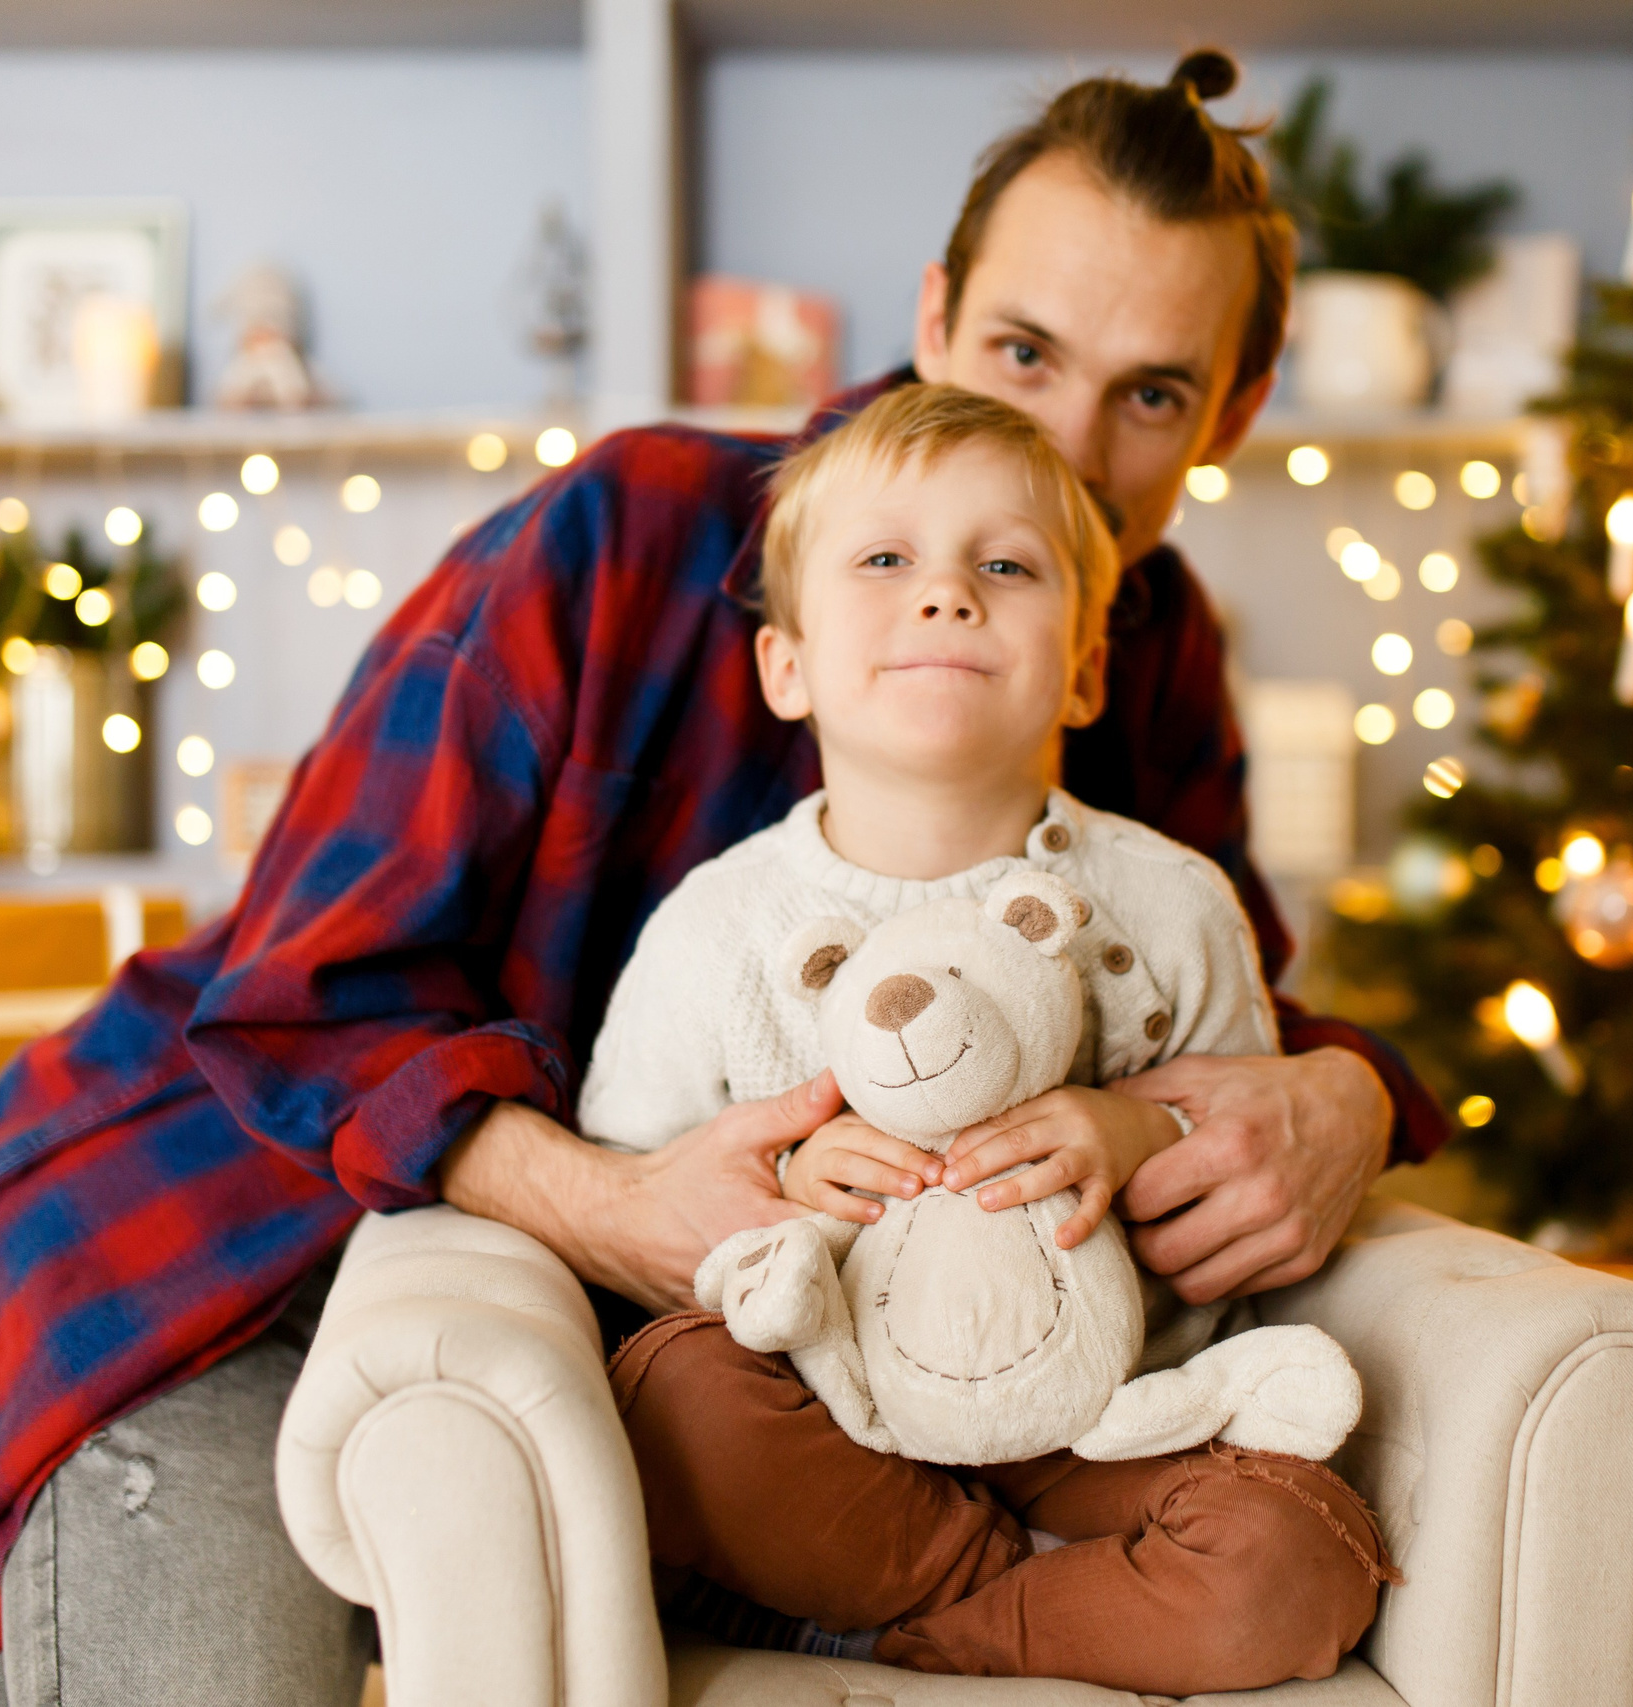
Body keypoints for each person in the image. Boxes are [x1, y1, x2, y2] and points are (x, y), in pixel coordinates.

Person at [0, 48, 1448, 1706]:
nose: (1059, 442)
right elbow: (303, 1003)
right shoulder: (633, 532)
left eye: (1153, 395)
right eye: (1025, 351)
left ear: (1234, 416)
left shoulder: (1144, 642)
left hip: (715, 1350)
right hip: (244, 1229)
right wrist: (615, 1204)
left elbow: (1214, 1005)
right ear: (939, 313)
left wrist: (1342, 1101)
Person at [587, 381, 1389, 1694]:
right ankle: (1028, 1599)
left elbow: (1244, 1173)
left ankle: (920, 1624)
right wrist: (783, 1194)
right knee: (671, 1402)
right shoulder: (720, 928)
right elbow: (638, 1209)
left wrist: (1136, 1134)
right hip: (834, 1421)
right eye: (887, 560)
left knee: (1299, 1557)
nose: (947, 595)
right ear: (785, 667)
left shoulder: (1171, 902)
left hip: (1108, 1423)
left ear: (1082, 670)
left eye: (1004, 565)